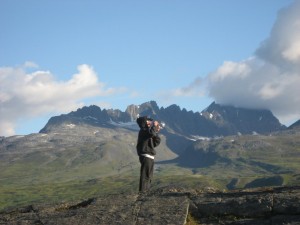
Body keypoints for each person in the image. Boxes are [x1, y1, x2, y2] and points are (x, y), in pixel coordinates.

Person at [136, 116, 161, 193]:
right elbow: (151, 133)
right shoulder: (143, 131)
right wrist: (154, 127)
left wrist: (156, 132)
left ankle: (146, 191)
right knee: (145, 176)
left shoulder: (147, 132)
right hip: (146, 155)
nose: (150, 123)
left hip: (150, 156)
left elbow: (156, 142)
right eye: (148, 121)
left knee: (149, 176)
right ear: (144, 123)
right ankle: (142, 192)